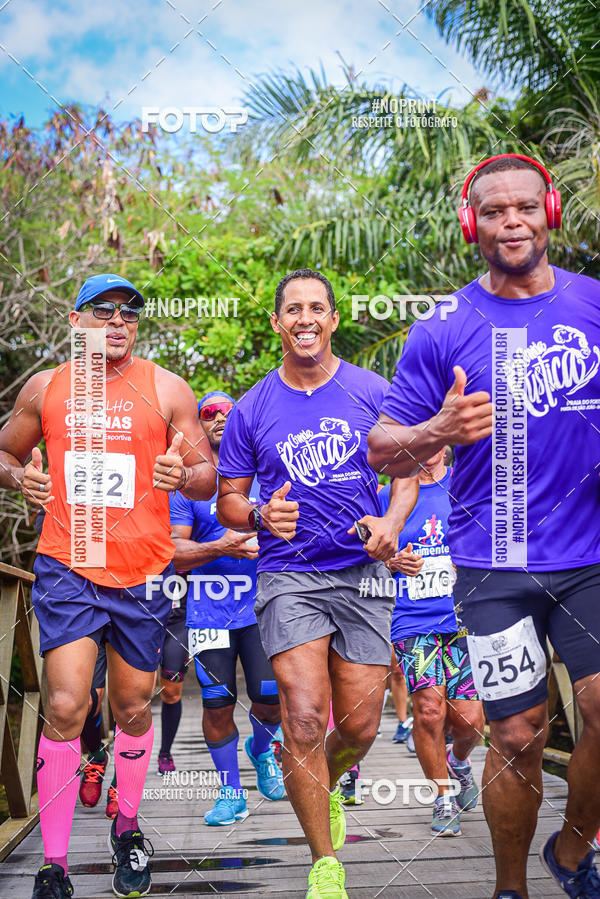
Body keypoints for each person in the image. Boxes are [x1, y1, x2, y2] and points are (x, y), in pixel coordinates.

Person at [368, 155, 600, 898]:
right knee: (518, 733)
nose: (512, 223)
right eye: (495, 211)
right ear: (474, 223)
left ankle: (570, 849)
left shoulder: (595, 303)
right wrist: (438, 425)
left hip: (591, 552)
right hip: (493, 561)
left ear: (549, 211)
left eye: (525, 208)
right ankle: (510, 887)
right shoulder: (443, 325)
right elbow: (380, 444)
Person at [0, 273, 216, 899]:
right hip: (68, 564)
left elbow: (207, 477)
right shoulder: (46, 388)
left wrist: (185, 473)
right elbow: (5, 455)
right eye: (103, 311)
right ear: (75, 322)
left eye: (129, 313)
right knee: (66, 705)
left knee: (131, 706)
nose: (118, 322)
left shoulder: (167, 388)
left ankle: (126, 828)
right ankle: (55, 865)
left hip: (143, 570)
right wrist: (20, 482)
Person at [216, 268, 416, 898]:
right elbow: (228, 498)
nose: (305, 318)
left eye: (316, 308)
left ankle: (322, 778)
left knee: (357, 728)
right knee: (303, 719)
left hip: (360, 574)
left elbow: (408, 469)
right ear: (277, 322)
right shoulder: (253, 407)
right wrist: (254, 515)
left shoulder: (372, 391)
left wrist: (391, 520)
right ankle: (325, 864)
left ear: (333, 319)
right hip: (288, 575)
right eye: (292, 309)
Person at [169, 390, 285, 827]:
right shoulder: (189, 484)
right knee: (217, 703)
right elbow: (174, 552)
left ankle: (261, 749)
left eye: (227, 411)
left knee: (270, 697)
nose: (219, 418)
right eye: (209, 413)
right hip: (209, 612)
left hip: (262, 606)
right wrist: (220, 546)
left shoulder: (263, 475)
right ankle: (230, 792)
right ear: (200, 424)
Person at [380, 447, 485, 836]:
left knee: (469, 719)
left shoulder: (466, 483)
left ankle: (458, 762)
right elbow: (368, 548)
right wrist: (390, 562)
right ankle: (442, 798)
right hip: (412, 619)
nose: (429, 451)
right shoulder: (389, 493)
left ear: (446, 443)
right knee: (428, 709)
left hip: (462, 617)